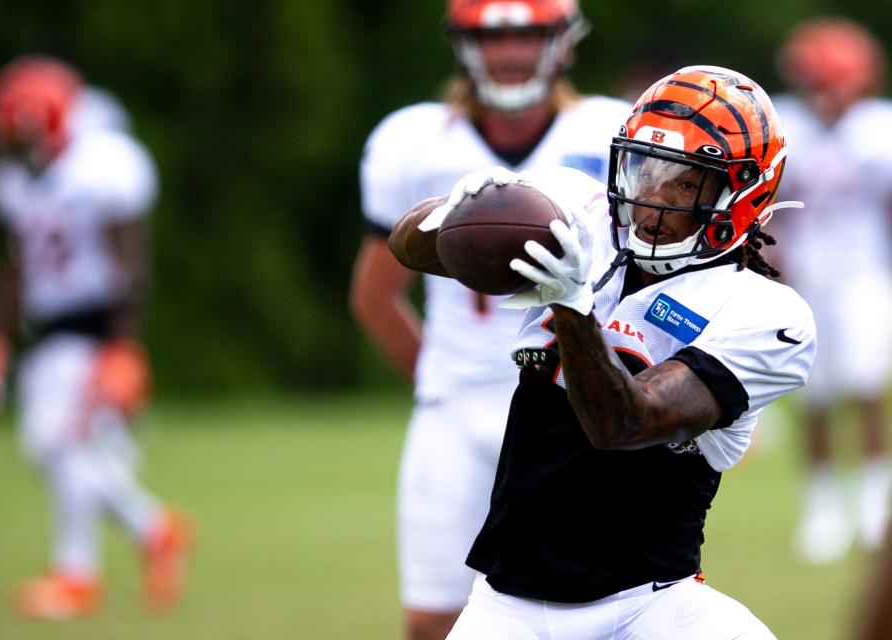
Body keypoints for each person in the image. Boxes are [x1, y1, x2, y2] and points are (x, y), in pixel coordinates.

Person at [389, 65, 815, 639]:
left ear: (745, 192)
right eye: (646, 171)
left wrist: (571, 304)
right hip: (507, 610)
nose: (653, 200)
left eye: (687, 183)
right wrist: (457, 213)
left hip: (655, 609)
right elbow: (408, 246)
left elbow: (625, 424)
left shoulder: (766, 315)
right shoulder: (580, 213)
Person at [349, 1, 631, 638]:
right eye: (493, 38)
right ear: (463, 45)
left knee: (603, 612)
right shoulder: (413, 140)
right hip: (458, 405)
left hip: (575, 409)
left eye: (528, 35)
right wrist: (441, 384)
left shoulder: (612, 131)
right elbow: (374, 294)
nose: (509, 54)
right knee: (434, 621)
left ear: (563, 41)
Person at [0, 56, 192, 619]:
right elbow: (17, 267)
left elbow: (129, 265)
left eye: (15, 131)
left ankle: (77, 574)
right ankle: (156, 529)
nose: (6, 145)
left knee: (63, 446)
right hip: (48, 332)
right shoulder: (16, 182)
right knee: (59, 450)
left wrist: (123, 346)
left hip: (93, 328)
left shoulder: (99, 173)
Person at [770, 17, 892, 564]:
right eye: (816, 80)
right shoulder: (786, 124)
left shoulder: (877, 130)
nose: (824, 92)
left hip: (865, 275)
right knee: (814, 398)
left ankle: (872, 503)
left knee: (866, 391)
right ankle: (822, 508)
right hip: (807, 278)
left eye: (832, 79)